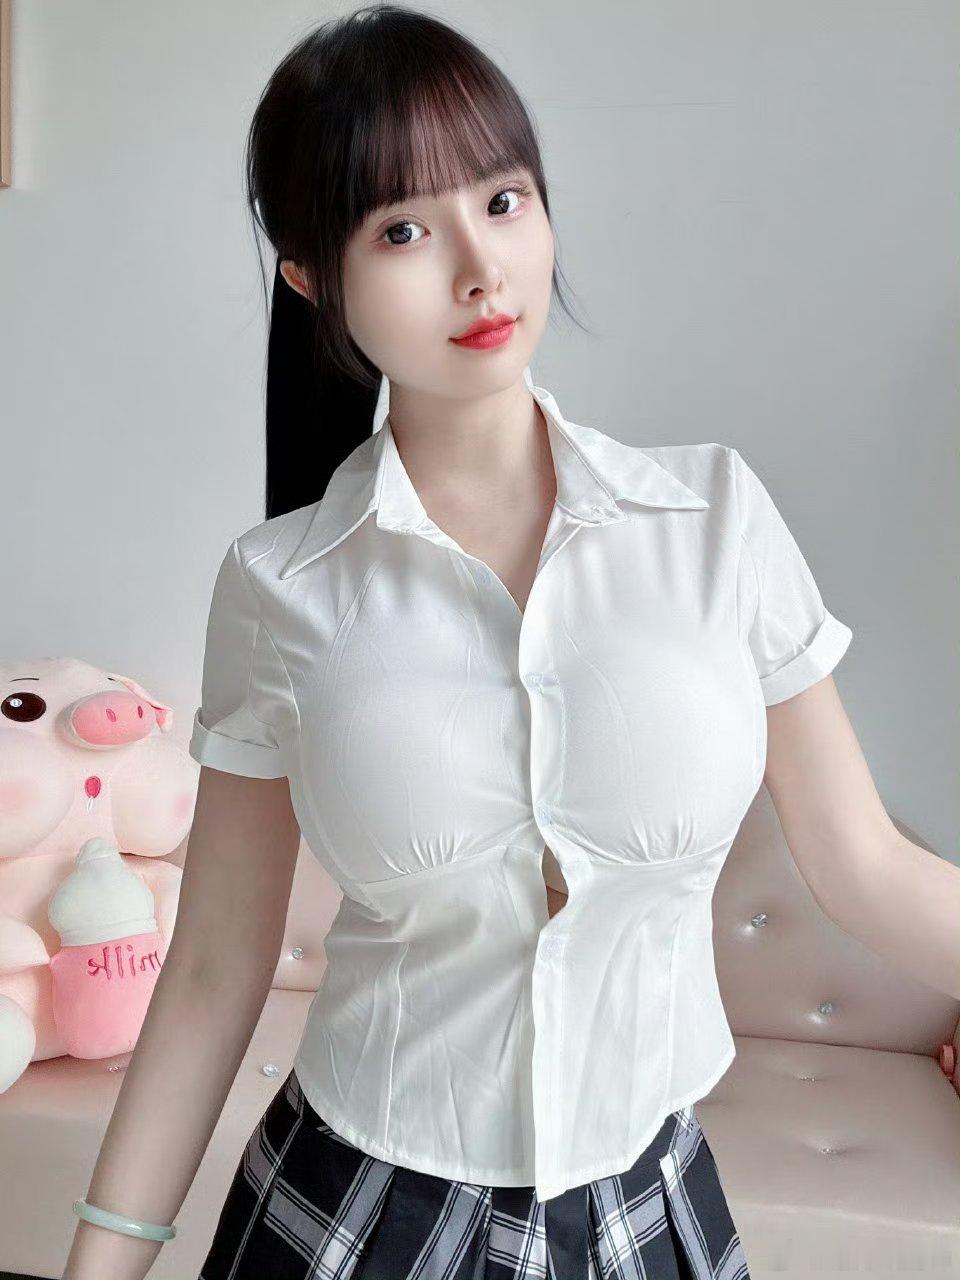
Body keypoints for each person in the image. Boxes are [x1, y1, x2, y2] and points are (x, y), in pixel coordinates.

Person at [63, 6, 960, 1280]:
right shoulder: (279, 586)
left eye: (503, 198)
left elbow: (867, 866)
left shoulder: (711, 517)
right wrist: (106, 1261)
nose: (482, 268)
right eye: (403, 230)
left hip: (648, 1207)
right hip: (355, 1211)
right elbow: (213, 965)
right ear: (311, 275)